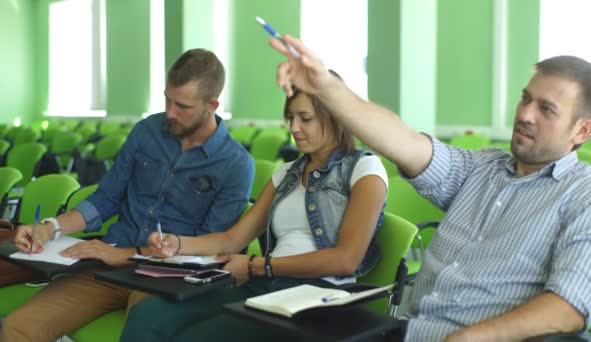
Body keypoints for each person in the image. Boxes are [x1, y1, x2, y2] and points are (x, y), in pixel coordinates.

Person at [269, 36, 591, 341]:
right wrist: (325, 86)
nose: (526, 115)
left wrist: (473, 337)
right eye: (526, 98)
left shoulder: (590, 198)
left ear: (582, 131)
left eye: (546, 109)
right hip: (404, 331)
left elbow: (569, 307)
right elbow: (404, 141)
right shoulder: (483, 167)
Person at [2, 48, 255, 342]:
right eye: (167, 99)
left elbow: (209, 249)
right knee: (20, 328)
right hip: (108, 267)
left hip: (168, 278)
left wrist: (123, 256)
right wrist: (50, 228)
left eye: (182, 105)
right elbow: (105, 198)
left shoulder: (236, 165)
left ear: (212, 105)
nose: (169, 112)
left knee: (143, 332)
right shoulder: (147, 131)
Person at [119, 73, 389, 341]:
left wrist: (257, 266)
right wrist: (177, 244)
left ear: (335, 114)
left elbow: (346, 260)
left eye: (305, 118)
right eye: (291, 118)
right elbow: (232, 239)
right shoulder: (286, 173)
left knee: (197, 336)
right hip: (266, 283)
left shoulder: (363, 168)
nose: (294, 128)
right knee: (148, 314)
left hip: (318, 295)